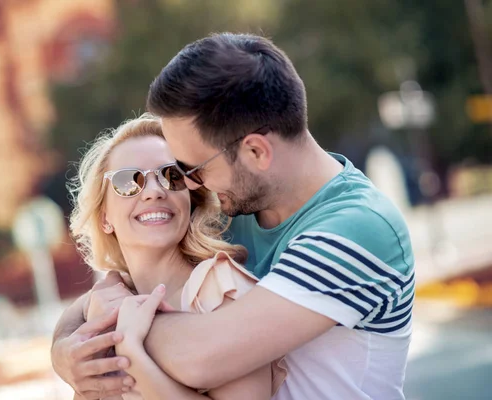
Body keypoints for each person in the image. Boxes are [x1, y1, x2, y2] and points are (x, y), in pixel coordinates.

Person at [52, 33, 415, 400]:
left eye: (190, 168)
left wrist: (113, 326)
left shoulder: (359, 230)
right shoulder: (230, 210)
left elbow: (200, 356)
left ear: (256, 151)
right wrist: (65, 348)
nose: (190, 186)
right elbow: (118, 290)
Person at [63, 113, 285, 399]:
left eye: (171, 176)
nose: (154, 192)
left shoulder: (221, 289)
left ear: (190, 201)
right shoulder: (104, 306)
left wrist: (131, 352)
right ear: (105, 217)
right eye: (129, 181)